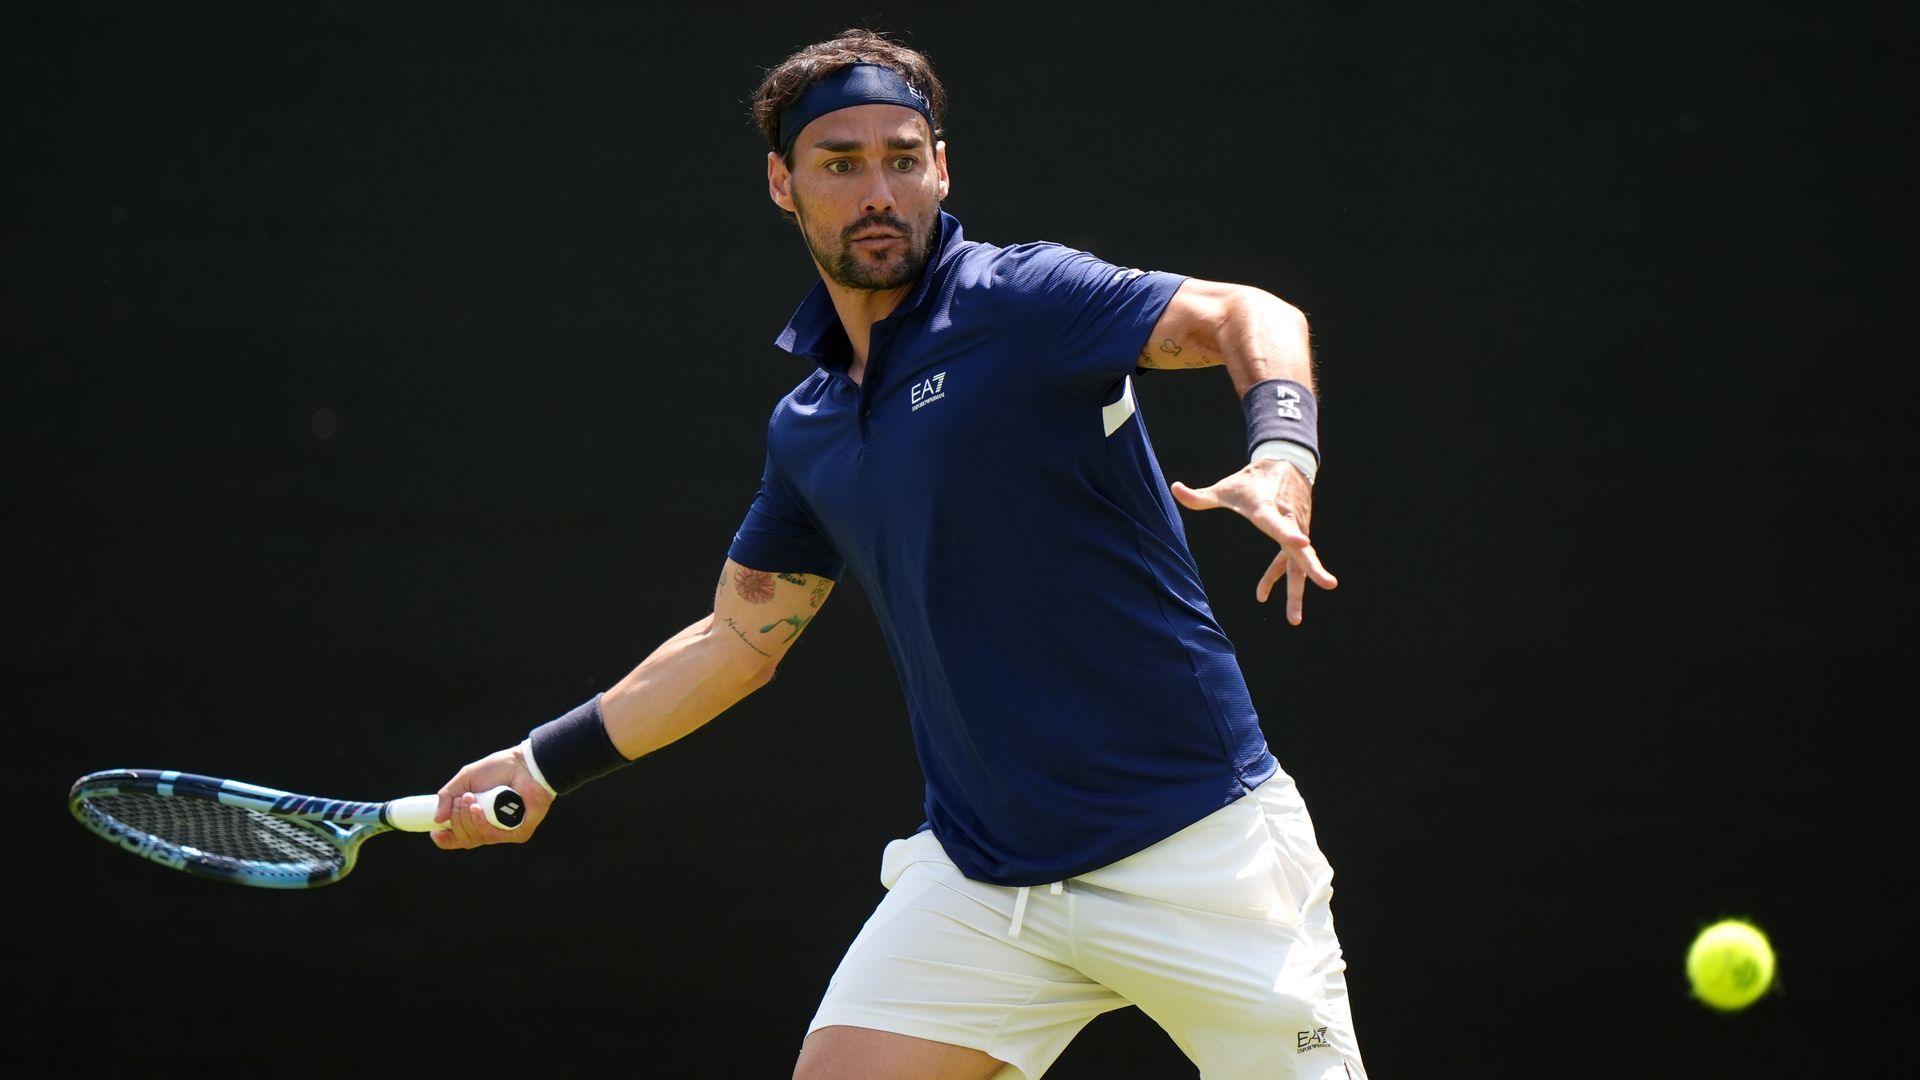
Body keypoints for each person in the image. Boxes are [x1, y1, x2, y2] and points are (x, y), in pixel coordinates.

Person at [431, 28, 1366, 1080]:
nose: (879, 190)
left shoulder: (1025, 301)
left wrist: (1282, 455)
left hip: (1202, 859)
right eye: (840, 164)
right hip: (983, 883)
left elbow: (1252, 314)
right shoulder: (811, 425)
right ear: (783, 184)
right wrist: (544, 762)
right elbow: (737, 639)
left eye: (903, 157)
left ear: (942, 166)